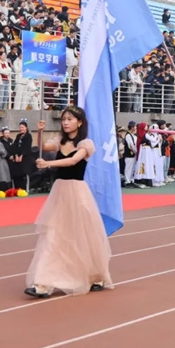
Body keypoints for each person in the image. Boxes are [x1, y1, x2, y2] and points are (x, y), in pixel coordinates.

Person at [25, 106, 113, 298]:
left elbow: (73, 161)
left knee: (84, 236)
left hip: (78, 193)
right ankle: (42, 284)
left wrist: (48, 164)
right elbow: (43, 147)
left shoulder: (86, 144)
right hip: (60, 192)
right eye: (63, 119)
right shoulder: (59, 141)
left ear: (79, 122)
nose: (65, 122)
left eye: (70, 119)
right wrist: (39, 132)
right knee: (53, 236)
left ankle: (96, 275)